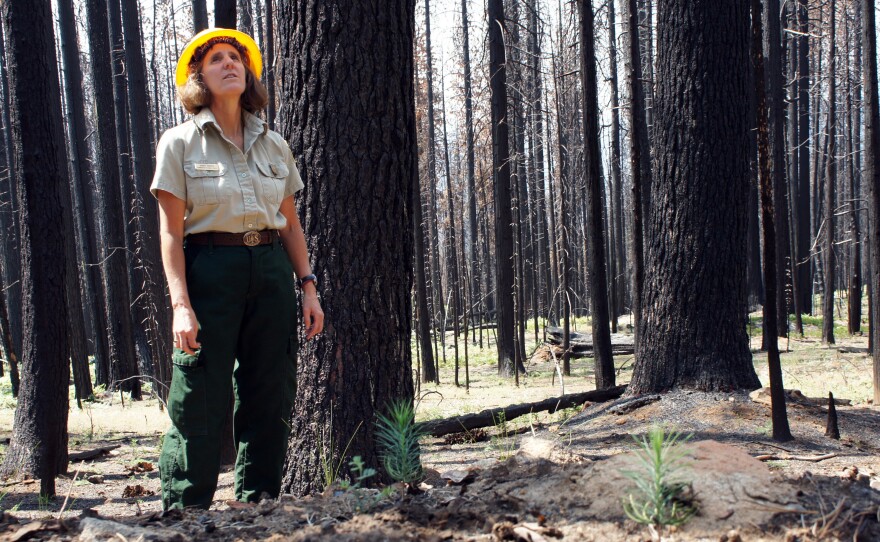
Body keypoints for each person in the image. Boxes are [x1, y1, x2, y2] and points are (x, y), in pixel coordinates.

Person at [151, 28, 324, 510]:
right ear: (198, 78)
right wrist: (180, 304)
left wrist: (307, 286)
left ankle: (259, 505)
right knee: (200, 395)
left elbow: (290, 226)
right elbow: (169, 234)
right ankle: (186, 511)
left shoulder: (274, 146)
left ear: (247, 73)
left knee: (269, 392)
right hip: (210, 269)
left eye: (236, 58)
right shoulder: (180, 143)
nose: (229, 65)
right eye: (216, 60)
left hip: (270, 272)